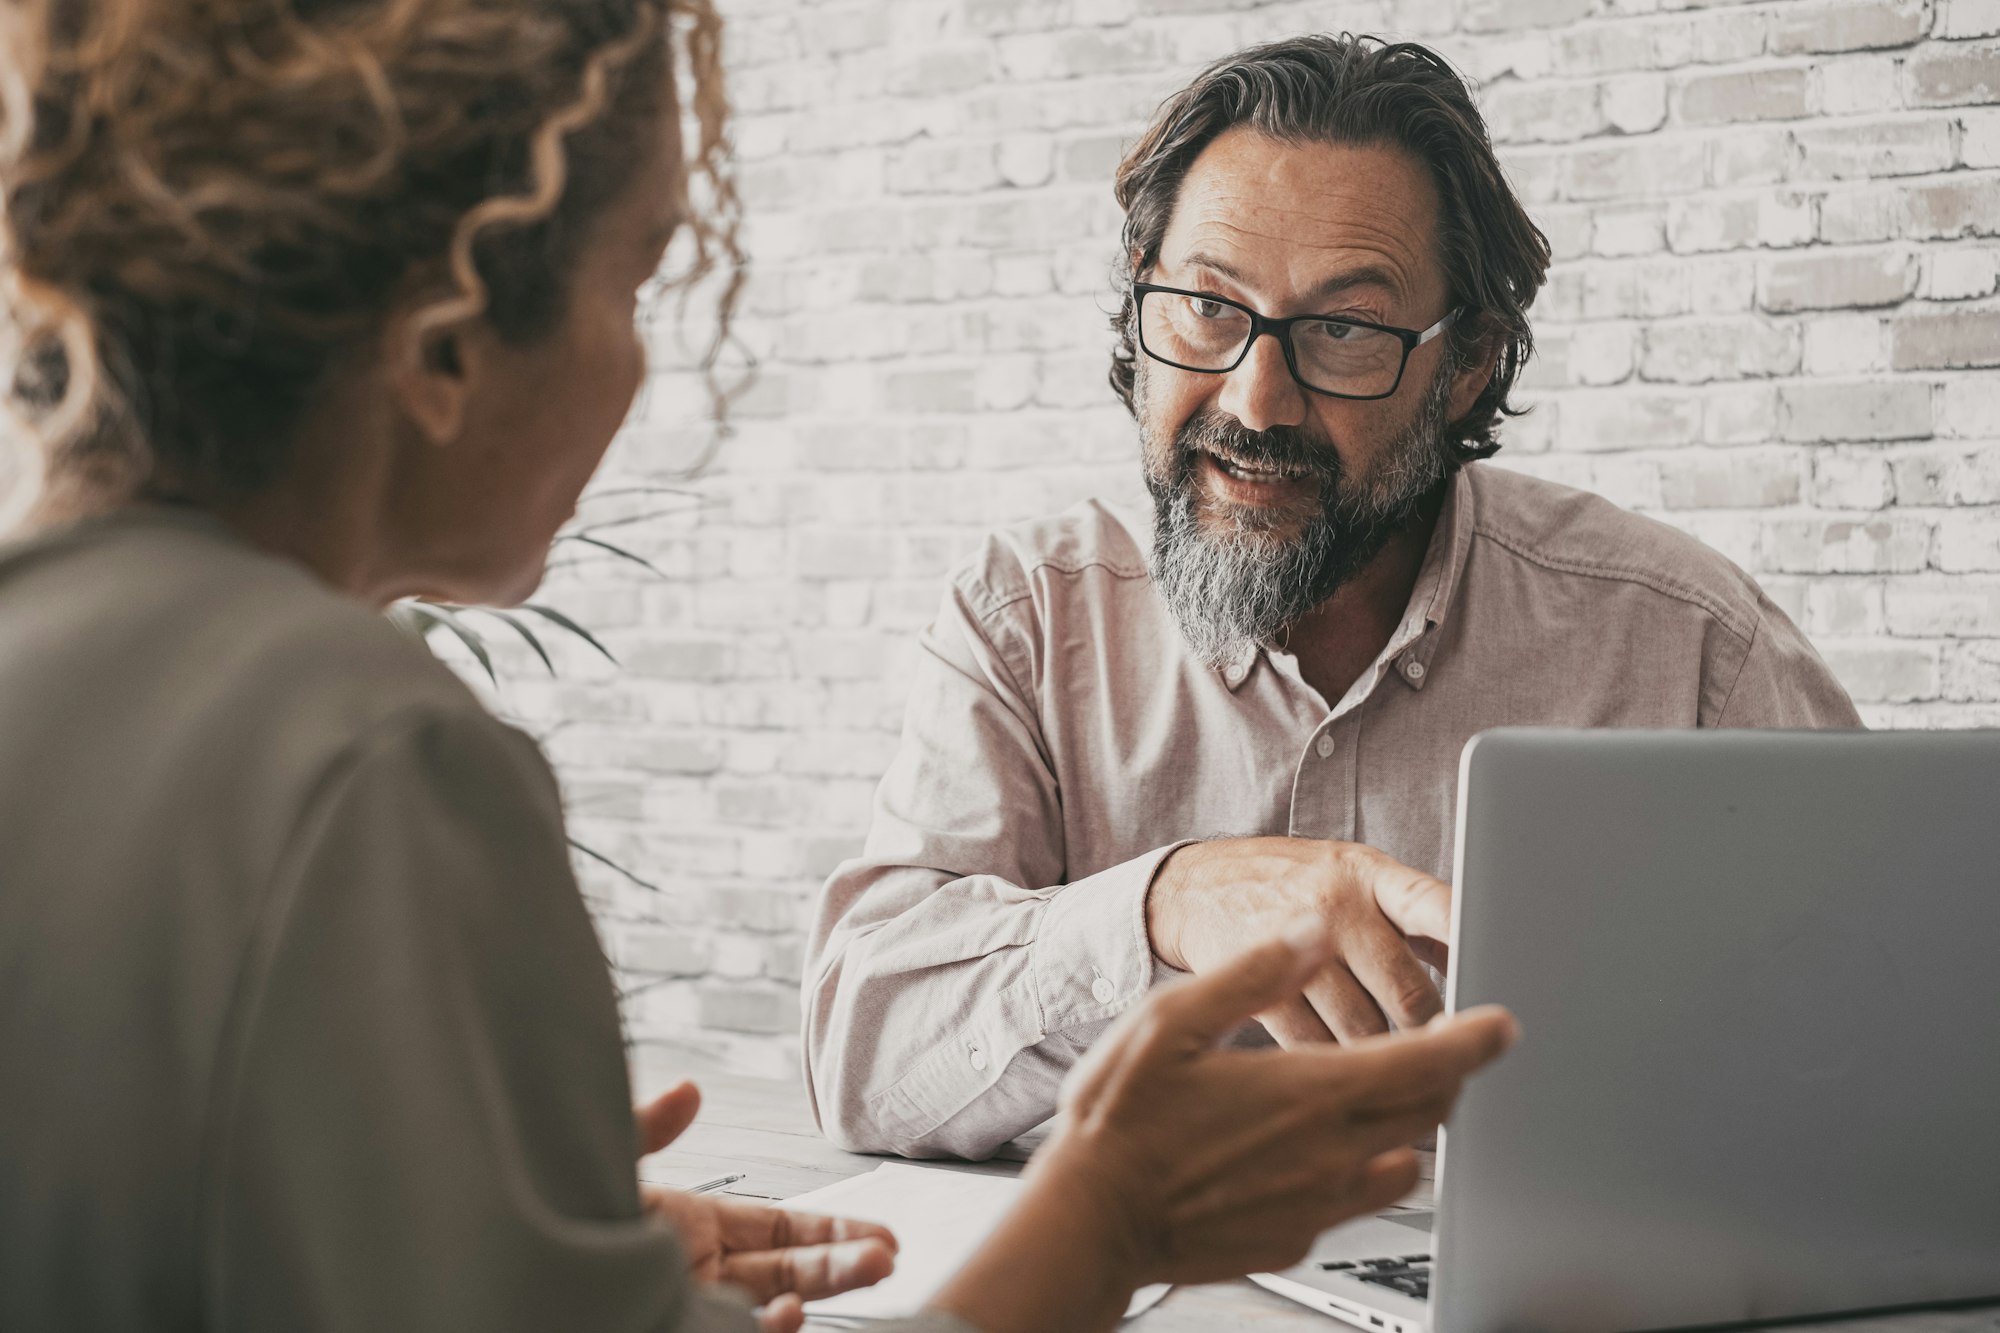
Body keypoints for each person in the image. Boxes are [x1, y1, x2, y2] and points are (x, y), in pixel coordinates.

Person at [0, 4, 1517, 1332]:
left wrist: (563, 1277)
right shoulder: (370, 764)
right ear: (452, 327)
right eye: (645, 279)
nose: (649, 366)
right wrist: (1112, 1219)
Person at [804, 33, 1860, 1162]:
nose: (1256, 401)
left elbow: (1889, 1035)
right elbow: (866, 1062)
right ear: (1138, 306)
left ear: (1464, 365)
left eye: (1342, 331)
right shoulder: (1028, 613)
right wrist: (1165, 904)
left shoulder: (1685, 643)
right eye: (1205, 308)